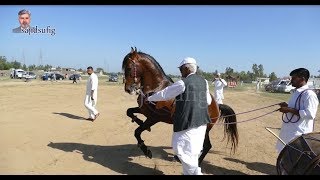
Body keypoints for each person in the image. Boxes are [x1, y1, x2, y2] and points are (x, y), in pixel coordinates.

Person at [147, 57, 212, 175]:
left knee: (180, 149)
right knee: (194, 152)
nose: (180, 72)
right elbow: (208, 101)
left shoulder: (183, 83)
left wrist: (149, 97)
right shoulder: (204, 81)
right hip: (202, 122)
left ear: (186, 68)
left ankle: (196, 173)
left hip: (188, 124)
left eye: (181, 69)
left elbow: (164, 94)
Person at [276, 68, 319, 154]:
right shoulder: (296, 92)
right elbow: (295, 108)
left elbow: (310, 114)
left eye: (294, 78)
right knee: (285, 154)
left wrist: (288, 109)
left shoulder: (309, 94)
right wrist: (287, 106)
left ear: (302, 79)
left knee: (295, 156)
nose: (291, 80)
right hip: (289, 130)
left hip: (298, 133)